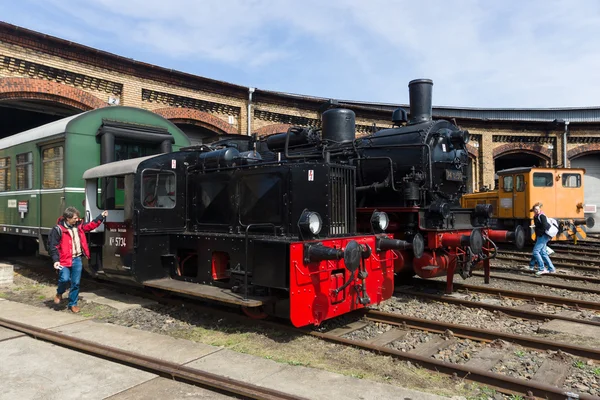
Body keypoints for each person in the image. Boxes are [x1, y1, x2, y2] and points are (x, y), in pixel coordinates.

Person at [48, 207, 108, 313]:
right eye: (75, 218)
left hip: (77, 259)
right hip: (63, 260)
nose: (77, 220)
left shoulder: (79, 226)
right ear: (68, 218)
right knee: (64, 279)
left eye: (77, 218)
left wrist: (101, 217)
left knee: (75, 283)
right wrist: (56, 260)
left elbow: (90, 226)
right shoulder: (58, 230)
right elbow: (53, 246)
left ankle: (73, 304)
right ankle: (59, 293)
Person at [529, 202, 556, 276]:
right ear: (533, 210)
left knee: (536, 251)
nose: (537, 210)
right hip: (541, 236)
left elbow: (545, 226)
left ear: (539, 209)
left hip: (543, 236)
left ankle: (542, 268)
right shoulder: (536, 216)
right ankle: (551, 268)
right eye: (535, 209)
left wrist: (540, 234)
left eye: (538, 209)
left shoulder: (541, 216)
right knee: (543, 253)